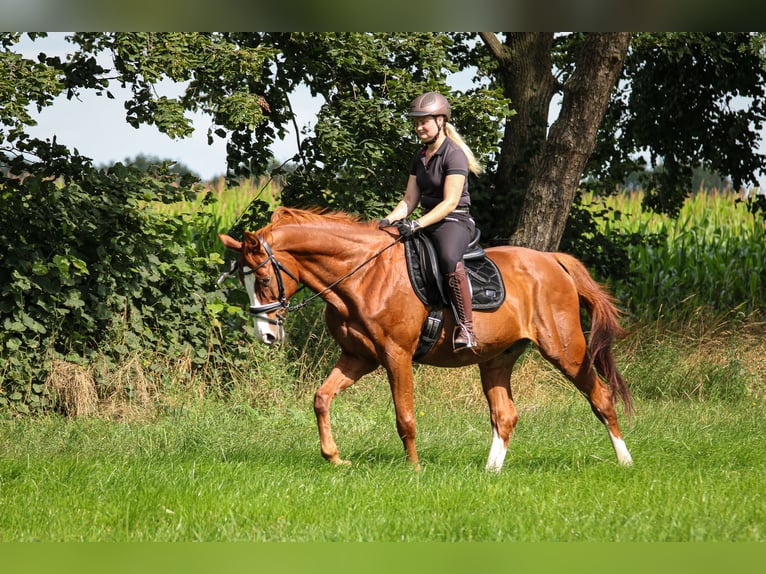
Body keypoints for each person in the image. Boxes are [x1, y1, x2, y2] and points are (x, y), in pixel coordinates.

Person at [379, 91, 483, 351]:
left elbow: (449, 202)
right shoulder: (420, 156)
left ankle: (466, 328)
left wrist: (416, 224)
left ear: (440, 121)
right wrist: (386, 221)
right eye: (416, 122)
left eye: (424, 121)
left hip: (454, 221)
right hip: (427, 220)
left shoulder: (453, 154)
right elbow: (408, 200)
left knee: (449, 258)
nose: (419, 127)